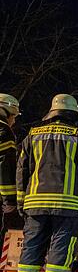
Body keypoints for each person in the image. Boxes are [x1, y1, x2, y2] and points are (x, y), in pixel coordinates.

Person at [16, 94, 78, 272]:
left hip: (35, 204)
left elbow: (22, 170)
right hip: (68, 206)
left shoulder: (32, 135)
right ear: (73, 114)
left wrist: (21, 201)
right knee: (61, 248)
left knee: (32, 246)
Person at [0, 94, 20, 222]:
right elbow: (4, 165)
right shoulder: (4, 131)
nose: (14, 121)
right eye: (14, 116)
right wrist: (10, 199)